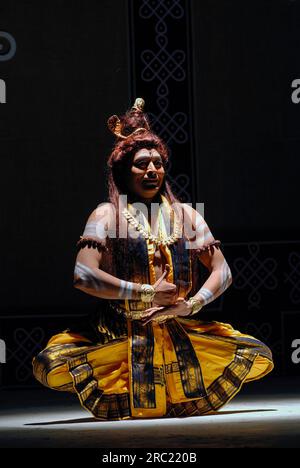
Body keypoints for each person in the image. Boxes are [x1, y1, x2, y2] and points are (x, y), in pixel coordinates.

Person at [32, 98, 274, 420]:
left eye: (158, 163)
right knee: (51, 362)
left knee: (255, 353)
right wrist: (144, 292)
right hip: (121, 331)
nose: (151, 171)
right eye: (142, 163)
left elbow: (223, 271)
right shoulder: (107, 214)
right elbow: (83, 274)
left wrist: (191, 305)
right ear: (123, 170)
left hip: (176, 326)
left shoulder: (186, 214)